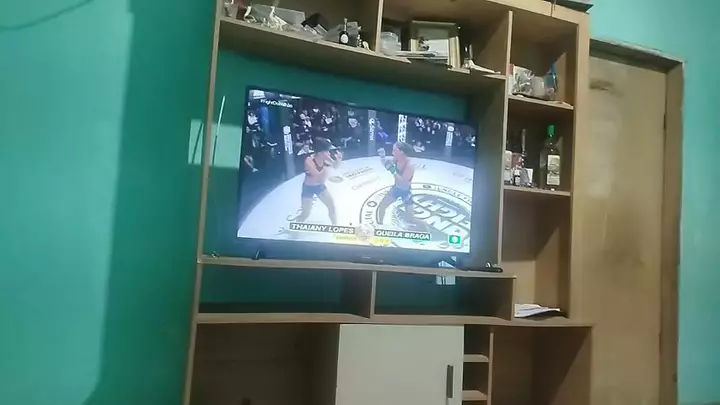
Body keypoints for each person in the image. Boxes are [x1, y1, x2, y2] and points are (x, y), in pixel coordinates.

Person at [376, 142, 428, 231]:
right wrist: (382, 157)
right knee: (381, 207)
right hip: (396, 189)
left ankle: (426, 229)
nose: (392, 152)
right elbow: (386, 164)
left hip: (406, 191)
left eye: (394, 150)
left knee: (411, 219)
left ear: (402, 152)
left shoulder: (409, 166)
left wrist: (392, 170)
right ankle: (379, 227)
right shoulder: (396, 159)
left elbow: (403, 182)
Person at [293, 138, 342, 225]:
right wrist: (327, 167)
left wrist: (338, 159)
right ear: (320, 153)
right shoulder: (309, 161)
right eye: (326, 151)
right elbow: (318, 177)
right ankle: (297, 224)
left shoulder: (325, 157)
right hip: (308, 188)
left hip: (319, 186)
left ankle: (335, 226)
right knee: (306, 213)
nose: (329, 153)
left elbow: (335, 166)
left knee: (331, 206)